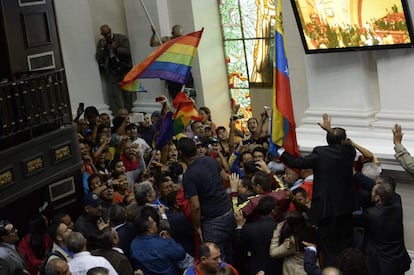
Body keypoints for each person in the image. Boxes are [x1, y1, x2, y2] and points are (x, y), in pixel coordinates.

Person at [277, 113, 359, 267]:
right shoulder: (350, 152)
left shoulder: (320, 153)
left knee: (328, 249)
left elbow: (298, 162)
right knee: (347, 246)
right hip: (346, 209)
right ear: (343, 140)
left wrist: (280, 151)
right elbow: (343, 143)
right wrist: (329, 130)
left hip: (325, 210)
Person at [178, 137, 236, 263]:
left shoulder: (189, 175)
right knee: (230, 253)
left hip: (213, 222)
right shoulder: (209, 160)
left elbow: (195, 206)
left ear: (181, 154)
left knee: (215, 261)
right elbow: (225, 179)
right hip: (228, 211)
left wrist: (197, 226)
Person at [353, 181, 411, 275]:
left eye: (373, 192)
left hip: (379, 261)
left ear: (377, 198)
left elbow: (353, 220)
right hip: (397, 259)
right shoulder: (397, 208)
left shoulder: (371, 214)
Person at [96, 24, 134, 114]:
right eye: (104, 34)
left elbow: (128, 51)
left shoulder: (121, 38)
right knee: (114, 94)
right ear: (102, 34)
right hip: (112, 70)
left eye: (108, 33)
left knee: (128, 93)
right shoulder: (101, 42)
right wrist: (102, 47)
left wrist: (116, 48)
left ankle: (128, 111)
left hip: (124, 68)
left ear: (110, 30)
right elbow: (98, 57)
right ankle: (119, 114)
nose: (107, 35)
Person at [150, 25, 194, 99]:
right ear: (172, 33)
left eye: (180, 35)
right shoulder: (167, 39)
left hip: (183, 71)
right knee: (176, 96)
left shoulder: (185, 41)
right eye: (176, 36)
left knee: (188, 96)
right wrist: (154, 33)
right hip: (172, 73)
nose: (178, 38)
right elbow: (153, 44)